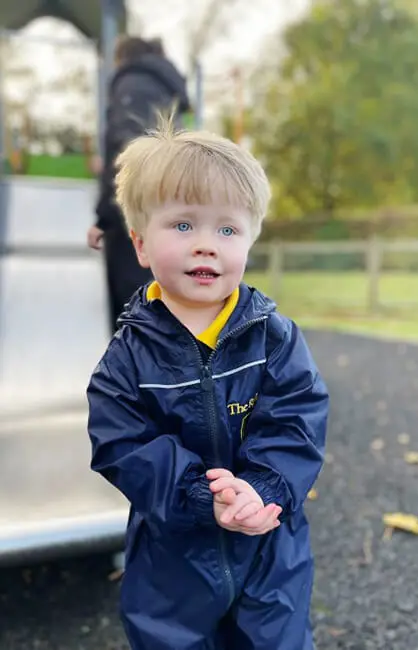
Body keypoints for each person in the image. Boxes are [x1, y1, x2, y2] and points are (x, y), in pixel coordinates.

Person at [86, 119, 329, 650]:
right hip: (173, 553)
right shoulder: (125, 359)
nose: (206, 246)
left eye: (227, 230)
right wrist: (200, 495)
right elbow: (123, 446)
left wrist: (262, 490)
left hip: (268, 545)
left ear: (249, 239)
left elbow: (298, 419)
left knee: (276, 641)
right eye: (182, 226)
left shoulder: (273, 337)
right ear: (140, 244)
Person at [87, 36, 190, 333]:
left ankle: (132, 373)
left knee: (130, 306)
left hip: (133, 211)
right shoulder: (167, 89)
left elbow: (127, 153)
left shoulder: (131, 83)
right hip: (170, 204)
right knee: (161, 299)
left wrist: (103, 219)